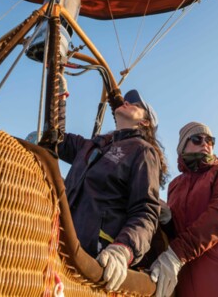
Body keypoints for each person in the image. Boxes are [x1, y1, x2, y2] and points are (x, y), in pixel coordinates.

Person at [58, 89, 168, 292]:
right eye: (127, 100)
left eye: (135, 103)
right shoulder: (92, 146)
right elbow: (55, 138)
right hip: (60, 245)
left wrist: (124, 248)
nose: (127, 101)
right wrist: (58, 92)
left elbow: (146, 210)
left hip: (95, 260)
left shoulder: (142, 151)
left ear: (145, 122)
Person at [150, 121, 218, 297]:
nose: (205, 144)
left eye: (210, 140)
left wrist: (176, 254)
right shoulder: (174, 186)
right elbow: (179, 233)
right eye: (197, 139)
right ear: (182, 148)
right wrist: (168, 219)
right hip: (190, 289)